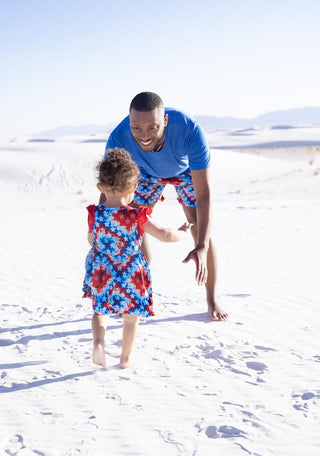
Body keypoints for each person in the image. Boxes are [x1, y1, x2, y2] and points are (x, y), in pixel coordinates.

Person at [103, 92, 228, 321]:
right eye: (136, 128)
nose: (144, 136)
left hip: (185, 172)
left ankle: (211, 299)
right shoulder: (118, 138)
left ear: (165, 121)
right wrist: (105, 226)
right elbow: (110, 192)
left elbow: (203, 194)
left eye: (153, 127)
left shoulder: (189, 128)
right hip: (144, 173)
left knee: (200, 228)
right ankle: (138, 295)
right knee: (131, 225)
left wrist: (201, 245)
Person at [83, 148, 190, 368]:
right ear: (133, 187)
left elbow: (91, 240)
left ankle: (99, 344)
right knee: (130, 318)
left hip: (102, 270)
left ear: (100, 188)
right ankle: (125, 358)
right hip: (131, 273)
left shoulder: (95, 214)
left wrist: (105, 249)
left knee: (99, 311)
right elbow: (165, 235)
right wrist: (183, 232)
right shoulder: (136, 216)